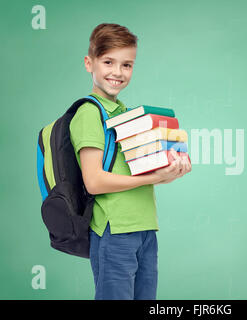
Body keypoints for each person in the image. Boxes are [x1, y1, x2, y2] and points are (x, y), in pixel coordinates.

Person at [69, 23, 191, 300]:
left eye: (127, 65)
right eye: (108, 62)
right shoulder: (90, 113)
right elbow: (94, 181)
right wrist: (154, 179)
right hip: (115, 230)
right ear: (90, 63)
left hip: (145, 227)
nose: (118, 72)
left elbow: (138, 166)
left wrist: (171, 168)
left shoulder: (125, 112)